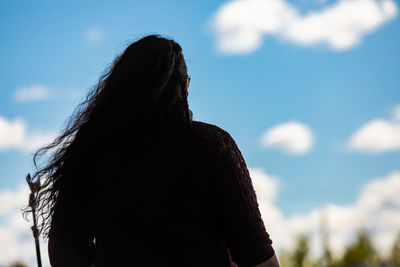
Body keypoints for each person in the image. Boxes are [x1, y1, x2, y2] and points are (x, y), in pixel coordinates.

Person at [25, 34, 280, 267]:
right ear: (181, 86)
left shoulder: (95, 154)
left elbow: (63, 251)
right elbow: (257, 254)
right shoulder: (212, 146)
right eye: (186, 81)